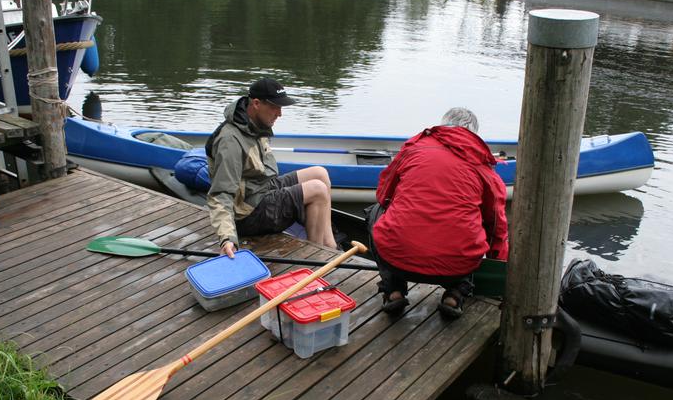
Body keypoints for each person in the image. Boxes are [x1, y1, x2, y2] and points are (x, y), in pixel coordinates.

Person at [367, 107, 508, 319]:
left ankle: (393, 289)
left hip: (397, 257)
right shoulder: (483, 165)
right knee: (474, 224)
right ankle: (456, 293)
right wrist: (500, 270)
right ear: (474, 134)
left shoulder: (414, 147)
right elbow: (497, 226)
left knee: (375, 212)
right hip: (457, 266)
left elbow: (383, 195)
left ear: (443, 126)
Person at [206, 77, 337, 258]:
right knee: (317, 190)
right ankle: (315, 256)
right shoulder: (231, 141)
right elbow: (221, 194)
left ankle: (330, 246)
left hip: (262, 191)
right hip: (247, 214)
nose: (280, 114)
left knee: (320, 173)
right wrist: (227, 238)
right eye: (275, 107)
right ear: (257, 103)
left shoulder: (255, 124)